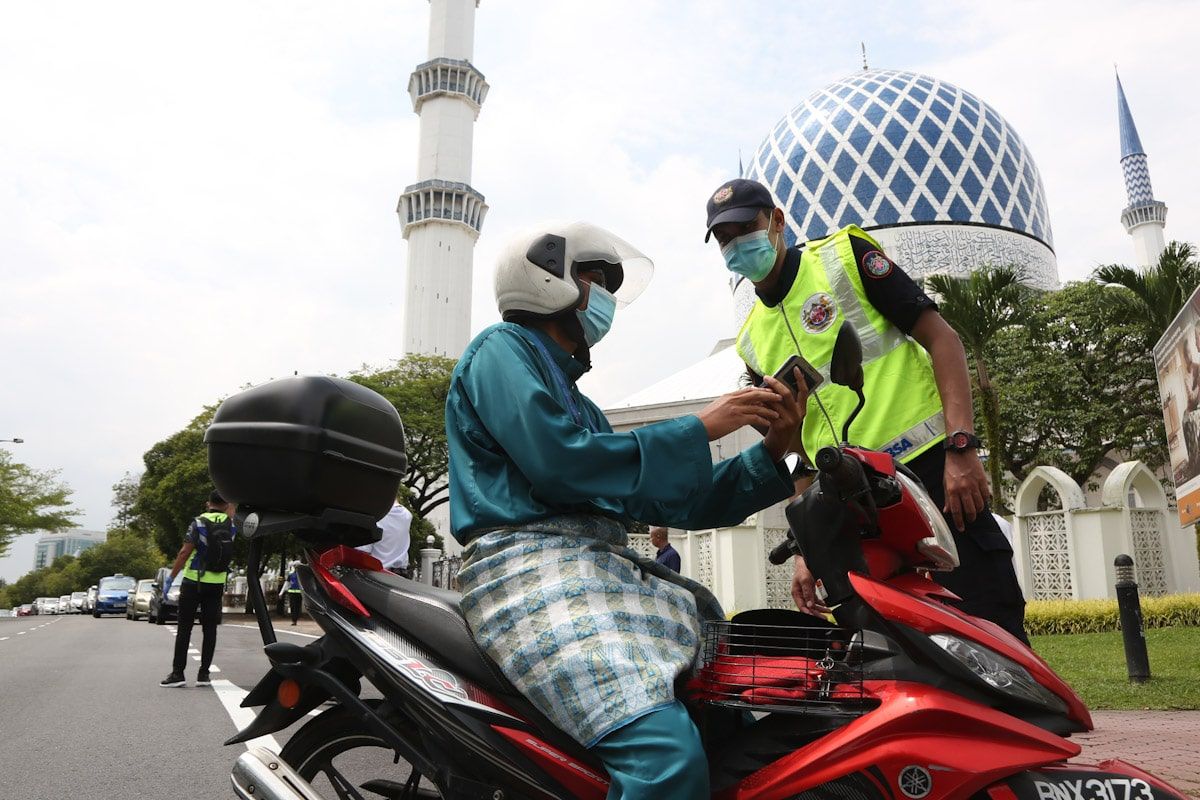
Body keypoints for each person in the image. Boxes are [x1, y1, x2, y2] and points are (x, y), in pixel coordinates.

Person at [446, 221, 805, 800]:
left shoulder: (583, 407)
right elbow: (559, 461)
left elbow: (671, 499)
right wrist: (701, 426)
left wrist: (773, 450)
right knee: (666, 759)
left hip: (591, 571)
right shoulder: (501, 350)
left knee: (728, 709)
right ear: (546, 279)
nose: (606, 298)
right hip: (528, 569)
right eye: (595, 279)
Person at [705, 178, 1028, 643]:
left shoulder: (844, 259)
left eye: (746, 227)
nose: (737, 244)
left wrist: (962, 448)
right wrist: (805, 543)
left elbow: (943, 340)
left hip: (929, 472)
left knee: (987, 615)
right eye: (724, 238)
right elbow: (796, 448)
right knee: (885, 640)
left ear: (777, 220)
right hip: (846, 500)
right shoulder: (751, 340)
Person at [160, 491, 235, 687]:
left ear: (207, 503)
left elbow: (185, 552)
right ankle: (204, 674)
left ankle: (178, 674)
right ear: (227, 504)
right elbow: (233, 510)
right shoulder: (231, 524)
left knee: (185, 628)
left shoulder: (199, 523)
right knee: (210, 629)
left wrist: (171, 578)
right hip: (217, 582)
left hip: (193, 581)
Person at [357, 500, 413, 576]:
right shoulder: (407, 515)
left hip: (378, 575)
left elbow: (363, 553)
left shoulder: (374, 515)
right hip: (401, 575)